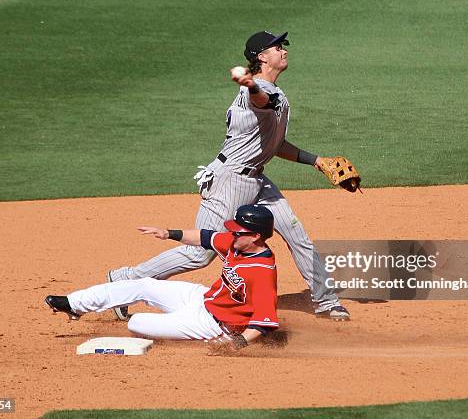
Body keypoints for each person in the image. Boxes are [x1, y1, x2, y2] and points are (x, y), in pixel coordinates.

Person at [107, 30, 349, 322]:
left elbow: (273, 144)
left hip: (257, 180)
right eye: (277, 47)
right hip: (229, 180)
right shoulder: (259, 90)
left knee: (298, 236)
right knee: (200, 254)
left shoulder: (270, 90)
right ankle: (126, 279)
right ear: (262, 57)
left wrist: (317, 161)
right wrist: (248, 84)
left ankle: (326, 301)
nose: (284, 50)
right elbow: (260, 99)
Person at [45, 205, 278, 354]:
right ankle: (74, 304)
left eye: (238, 231)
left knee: (135, 324)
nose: (232, 234)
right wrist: (169, 233)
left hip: (214, 324)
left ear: (256, 236)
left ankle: (189, 330)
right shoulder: (237, 244)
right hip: (201, 297)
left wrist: (236, 344)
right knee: (144, 284)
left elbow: (264, 322)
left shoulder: (262, 271)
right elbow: (205, 237)